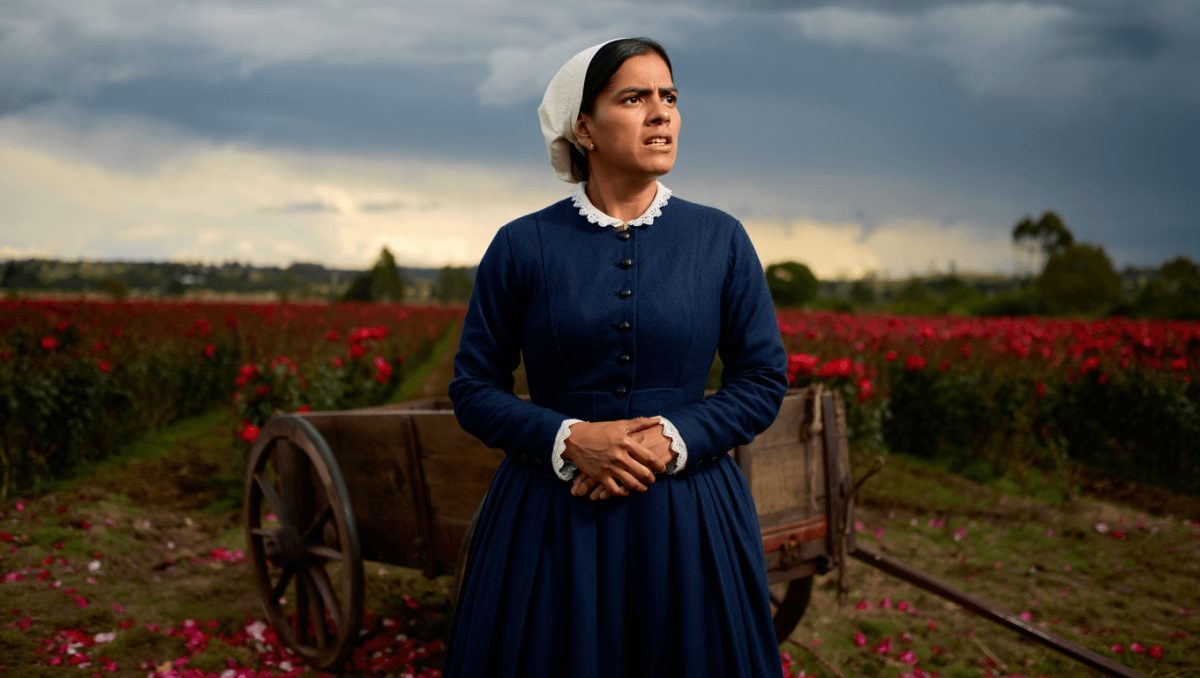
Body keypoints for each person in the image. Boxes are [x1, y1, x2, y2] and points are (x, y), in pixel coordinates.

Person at [443, 37, 789, 678]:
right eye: (634, 98)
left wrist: (675, 438)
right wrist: (568, 438)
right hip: (550, 520)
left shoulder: (720, 239)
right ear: (584, 128)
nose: (661, 113)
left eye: (670, 97)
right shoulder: (523, 245)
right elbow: (473, 386)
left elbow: (763, 377)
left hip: (688, 518)